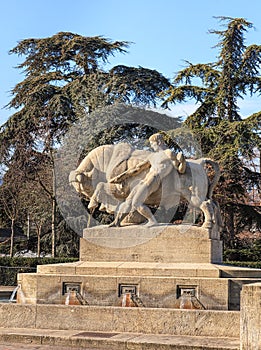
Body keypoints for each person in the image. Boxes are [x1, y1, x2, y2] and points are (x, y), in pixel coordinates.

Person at [109, 133, 186, 226]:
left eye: (152, 143)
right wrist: (121, 177)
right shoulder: (152, 156)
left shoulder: (169, 153)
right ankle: (117, 222)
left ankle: (152, 221)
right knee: (128, 201)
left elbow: (180, 170)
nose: (151, 146)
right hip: (144, 180)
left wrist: (182, 162)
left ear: (159, 142)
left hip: (154, 180)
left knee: (136, 203)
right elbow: (137, 168)